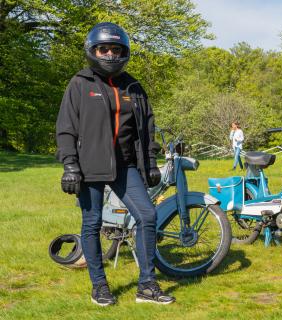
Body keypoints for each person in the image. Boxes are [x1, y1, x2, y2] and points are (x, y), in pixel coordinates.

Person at [56, 22, 175, 306]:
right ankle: (99, 286)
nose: (109, 53)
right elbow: (66, 128)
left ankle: (147, 285)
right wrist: (70, 165)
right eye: (103, 48)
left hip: (125, 166)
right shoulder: (80, 84)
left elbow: (146, 129)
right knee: (93, 222)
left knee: (147, 216)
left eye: (115, 49)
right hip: (89, 167)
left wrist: (150, 163)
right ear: (92, 50)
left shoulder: (133, 87)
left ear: (124, 52)